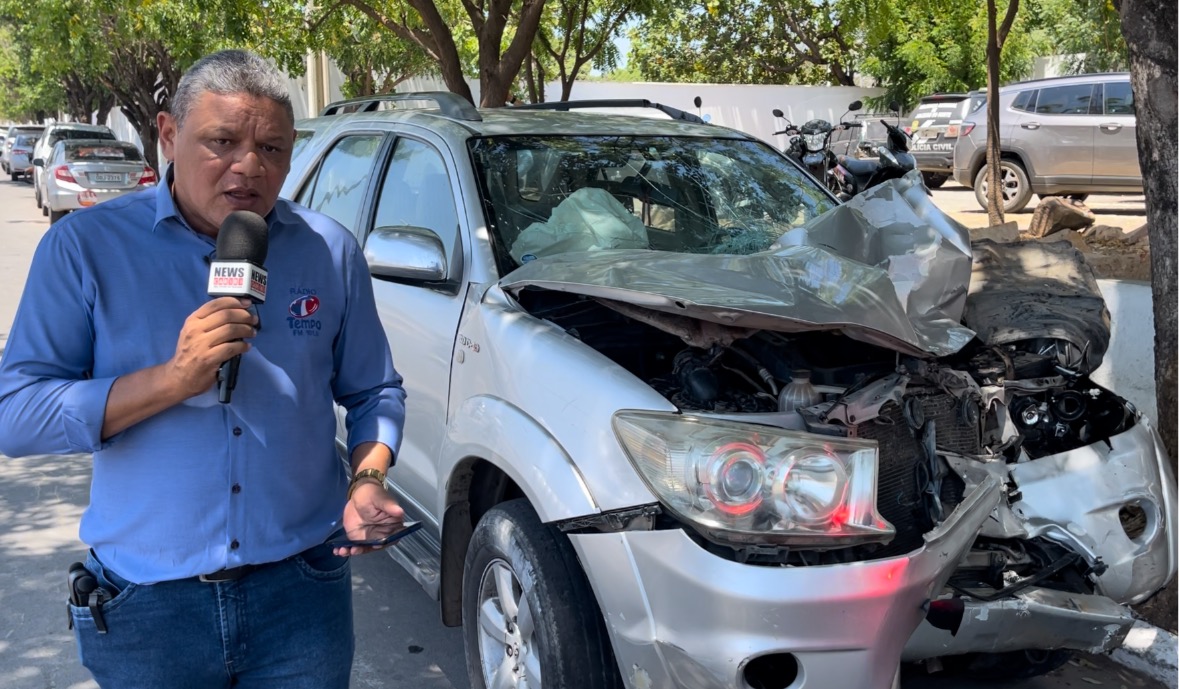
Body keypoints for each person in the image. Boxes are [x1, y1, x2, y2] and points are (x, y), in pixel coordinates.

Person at [0, 50, 407, 688]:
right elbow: (15, 415)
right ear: (167, 135)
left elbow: (374, 390)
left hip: (302, 594)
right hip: (148, 607)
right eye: (222, 141)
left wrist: (367, 479)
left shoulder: (330, 252)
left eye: (272, 148)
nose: (249, 167)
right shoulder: (84, 248)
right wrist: (172, 379)